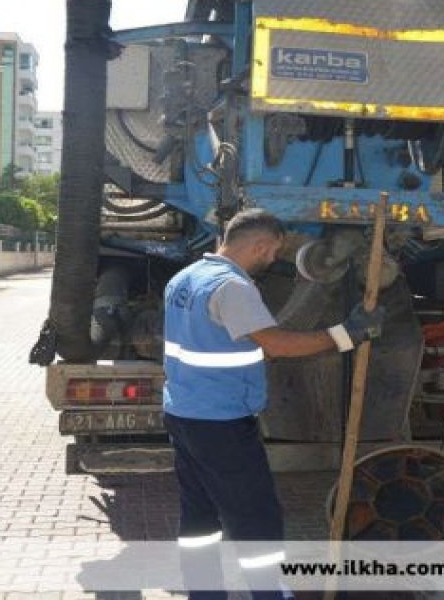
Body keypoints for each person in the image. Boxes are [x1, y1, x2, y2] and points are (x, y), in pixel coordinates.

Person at [162, 209, 385, 599]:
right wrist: (347, 334)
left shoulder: (185, 278)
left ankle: (204, 592)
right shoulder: (232, 287)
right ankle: (269, 592)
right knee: (256, 516)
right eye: (272, 251)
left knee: (199, 515)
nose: (271, 260)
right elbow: (277, 345)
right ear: (260, 244)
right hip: (221, 422)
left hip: (184, 413)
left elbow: (223, 344)